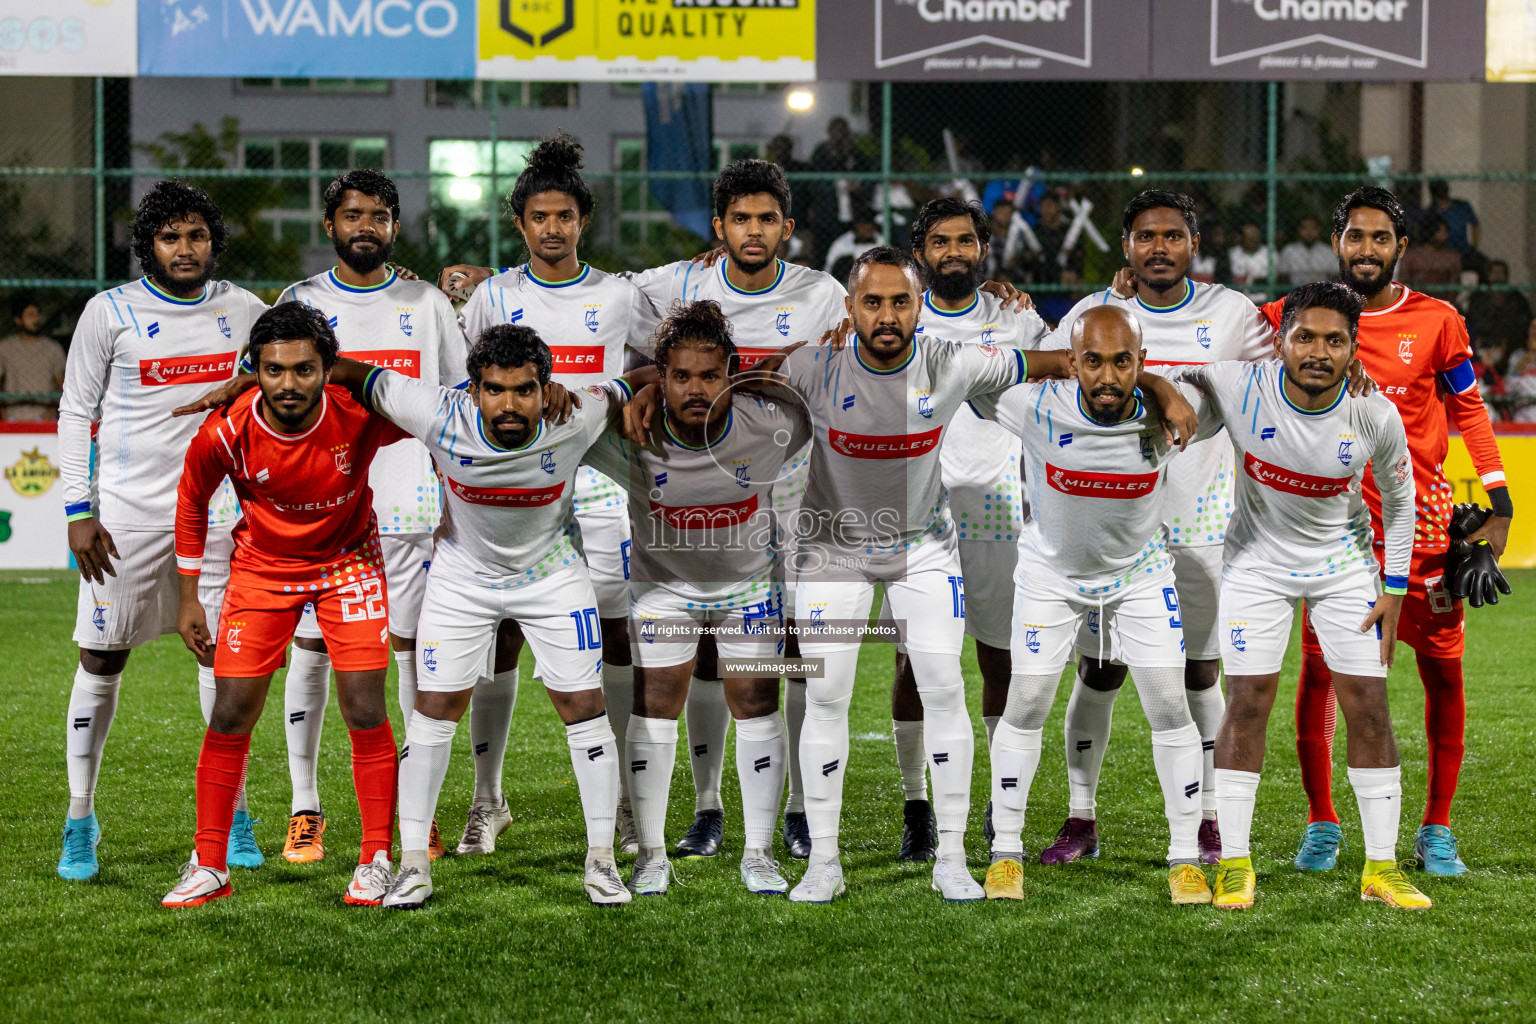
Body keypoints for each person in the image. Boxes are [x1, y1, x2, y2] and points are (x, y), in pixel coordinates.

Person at [768, 246, 1047, 904]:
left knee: (944, 687)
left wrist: (1148, 385)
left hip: (924, 548)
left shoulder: (951, 362)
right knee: (827, 697)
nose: (887, 314)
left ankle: (950, 860)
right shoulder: (811, 364)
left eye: (900, 301)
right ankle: (824, 864)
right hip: (832, 550)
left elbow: (1052, 361)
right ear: (850, 308)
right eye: (873, 302)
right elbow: (730, 392)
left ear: (920, 307)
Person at [1258, 187, 1512, 876]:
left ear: (1400, 247)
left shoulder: (1437, 322)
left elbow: (1471, 413)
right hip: (1332, 537)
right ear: (1336, 242)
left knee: (1444, 679)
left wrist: (1500, 503)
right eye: (1354, 236)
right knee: (1320, 680)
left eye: (1379, 238)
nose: (1365, 249)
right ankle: (1322, 823)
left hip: (1423, 532)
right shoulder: (1295, 315)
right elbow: (1218, 330)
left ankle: (1436, 828)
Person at [1173, 282, 1430, 911]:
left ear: (1352, 349)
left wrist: (1393, 589)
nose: (1318, 351)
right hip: (1256, 566)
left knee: (1368, 704)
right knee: (1248, 702)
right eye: (1305, 336)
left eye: (1335, 340)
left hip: (1343, 569)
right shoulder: (1240, 384)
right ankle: (1234, 863)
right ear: (1281, 340)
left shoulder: (1375, 414)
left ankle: (1381, 868)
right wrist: (1164, 389)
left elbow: (1400, 506)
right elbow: (1170, 367)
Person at [1038, 190, 1277, 868]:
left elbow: (1277, 380)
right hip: (1112, 528)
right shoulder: (1094, 314)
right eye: (1147, 235)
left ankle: (1206, 819)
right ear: (1127, 246)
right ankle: (1080, 818)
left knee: (1202, 672)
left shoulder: (1231, 313)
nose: (1160, 247)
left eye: (1173, 235)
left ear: (1193, 245)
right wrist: (1159, 388)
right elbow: (1045, 370)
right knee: (1102, 669)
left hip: (1201, 524)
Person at [624, 160, 849, 861]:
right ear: (718, 227)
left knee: (795, 657)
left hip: (802, 496)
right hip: (713, 499)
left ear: (787, 226)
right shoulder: (668, 286)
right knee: (710, 656)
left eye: (767, 219)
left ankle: (803, 809)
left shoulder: (823, 294)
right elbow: (635, 361)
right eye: (740, 219)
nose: (754, 232)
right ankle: (707, 807)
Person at [445, 133, 659, 859]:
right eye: (539, 217)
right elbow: (460, 386)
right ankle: (487, 799)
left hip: (600, 487)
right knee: (499, 633)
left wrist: (633, 401)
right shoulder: (493, 296)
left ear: (581, 221)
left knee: (615, 635)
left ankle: (624, 802)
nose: (553, 228)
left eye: (565, 216)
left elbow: (661, 367)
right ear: (521, 224)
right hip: (514, 490)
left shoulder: (621, 295)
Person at [56, 180, 268, 882]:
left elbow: (311, 339)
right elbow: (74, 411)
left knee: (222, 663)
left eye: (198, 235)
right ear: (148, 243)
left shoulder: (241, 309)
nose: (186, 248)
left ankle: (231, 813)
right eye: (171, 236)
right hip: (127, 518)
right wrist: (77, 510)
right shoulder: (109, 311)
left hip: (220, 516)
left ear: (214, 242)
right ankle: (80, 818)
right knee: (102, 660)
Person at [162, 303, 406, 907]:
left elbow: (436, 407)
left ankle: (376, 856)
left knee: (364, 706)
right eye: (272, 370)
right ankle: (210, 863)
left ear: (328, 369)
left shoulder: (357, 412)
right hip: (262, 571)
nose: (288, 384)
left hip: (349, 566)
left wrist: (354, 375)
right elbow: (191, 501)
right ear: (255, 370)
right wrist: (189, 595)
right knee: (231, 711)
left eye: (304, 369)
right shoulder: (226, 429)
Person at [970, 305, 1212, 904]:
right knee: (1025, 704)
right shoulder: (1036, 407)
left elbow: (1240, 388)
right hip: (1050, 578)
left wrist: (1163, 390)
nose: (1107, 378)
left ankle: (1184, 857)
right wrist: (1146, 382)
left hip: (1139, 576)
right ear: (1072, 362)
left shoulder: (1174, 415)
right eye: (1093, 361)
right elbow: (970, 378)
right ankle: (1006, 852)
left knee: (1168, 706)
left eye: (1124, 363)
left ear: (1142, 362)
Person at [273, 169, 469, 865]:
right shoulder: (299, 302)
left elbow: (457, 405)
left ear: (393, 226)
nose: (367, 225)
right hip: (320, 512)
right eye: (353, 214)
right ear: (330, 225)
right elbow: (277, 403)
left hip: (412, 508)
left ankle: (415, 811)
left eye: (380, 216)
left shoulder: (425, 302)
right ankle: (305, 809)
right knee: (313, 651)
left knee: (412, 653)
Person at [585, 300, 811, 896]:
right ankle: (652, 853)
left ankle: (759, 853)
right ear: (661, 376)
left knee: (757, 705)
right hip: (663, 591)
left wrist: (761, 372)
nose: (695, 389)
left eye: (710, 376)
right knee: (655, 705)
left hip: (749, 590)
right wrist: (625, 388)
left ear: (730, 374)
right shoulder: (629, 432)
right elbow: (569, 408)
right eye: (679, 376)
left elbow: (810, 371)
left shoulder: (771, 423)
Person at [883, 197, 1050, 860]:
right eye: (940, 242)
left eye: (965, 242)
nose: (953, 253)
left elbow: (1055, 386)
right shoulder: (895, 311)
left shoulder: (1016, 316)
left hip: (999, 505)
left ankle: (997, 801)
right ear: (920, 249)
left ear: (984, 247)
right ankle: (916, 804)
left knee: (998, 655)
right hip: (915, 506)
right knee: (914, 659)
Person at [0, 294, 66, 421]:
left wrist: (49, 413)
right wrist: (4, 415)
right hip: (13, 417)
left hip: (45, 418)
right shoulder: (5, 348)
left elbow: (60, 385)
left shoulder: (52, 348)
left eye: (37, 315)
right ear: (17, 320)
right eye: (30, 315)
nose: (36, 319)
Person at [1465, 260, 1531, 353]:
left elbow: (1522, 325)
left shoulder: (1517, 299)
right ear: (1488, 276)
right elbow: (1473, 322)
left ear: (1506, 276)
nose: (1498, 277)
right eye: (1494, 273)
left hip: (1510, 346)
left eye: (1501, 273)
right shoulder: (1478, 298)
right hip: (1483, 344)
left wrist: (1507, 342)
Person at [1396, 216, 1464, 291]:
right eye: (1442, 232)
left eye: (1446, 232)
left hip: (1443, 300)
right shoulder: (1411, 255)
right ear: (1431, 231)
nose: (1445, 236)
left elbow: (1455, 286)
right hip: (1416, 299)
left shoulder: (1451, 256)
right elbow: (1402, 282)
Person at [823, 207, 885, 277]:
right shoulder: (841, 243)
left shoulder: (882, 241)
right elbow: (828, 269)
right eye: (863, 226)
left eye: (870, 227)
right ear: (857, 226)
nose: (867, 230)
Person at [1277, 216, 1336, 285]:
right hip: (1295, 291)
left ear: (1318, 230)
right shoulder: (1289, 250)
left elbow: (1335, 275)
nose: (1309, 232)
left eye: (1313, 228)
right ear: (1299, 230)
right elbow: (1283, 276)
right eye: (1305, 228)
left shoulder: (1327, 251)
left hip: (1321, 292)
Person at [1427, 180, 1480, 258]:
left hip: (1462, 251)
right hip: (1440, 253)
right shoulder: (1431, 211)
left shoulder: (1461, 206)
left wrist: (1474, 247)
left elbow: (1475, 225)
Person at [1228, 223, 1273, 300]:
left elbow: (1273, 279)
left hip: (1265, 300)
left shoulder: (1269, 253)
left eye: (1255, 236)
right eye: (1249, 236)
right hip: (1238, 299)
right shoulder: (1232, 253)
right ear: (1242, 238)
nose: (1252, 239)